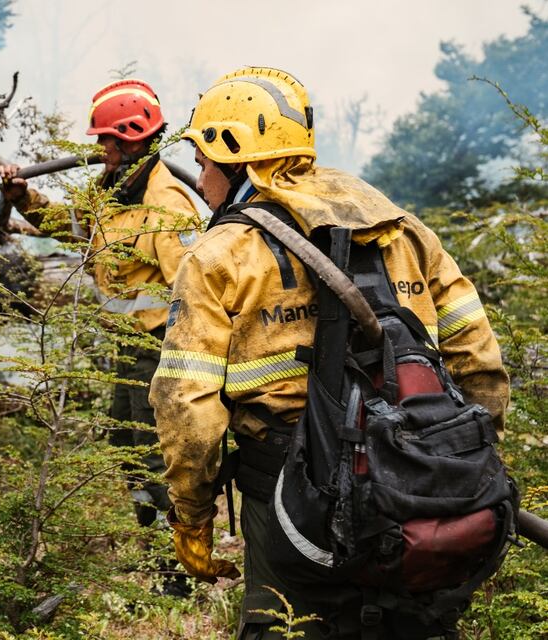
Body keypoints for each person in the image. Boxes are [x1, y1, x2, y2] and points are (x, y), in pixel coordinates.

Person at [149, 67, 509, 637]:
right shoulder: (400, 227)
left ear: (233, 155)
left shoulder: (219, 254)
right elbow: (478, 358)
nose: (199, 174)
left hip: (287, 490)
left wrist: (192, 516)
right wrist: (460, 464)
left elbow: (187, 408)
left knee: (289, 625)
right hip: (414, 476)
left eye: (202, 159)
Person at [0, 79, 202, 595]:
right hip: (126, 349)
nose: (99, 151)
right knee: (126, 451)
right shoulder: (111, 193)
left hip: (163, 353)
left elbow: (197, 291)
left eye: (107, 141)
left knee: (155, 458)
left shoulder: (167, 201)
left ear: (134, 140)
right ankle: (157, 560)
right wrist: (22, 196)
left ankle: (176, 577)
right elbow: (69, 225)